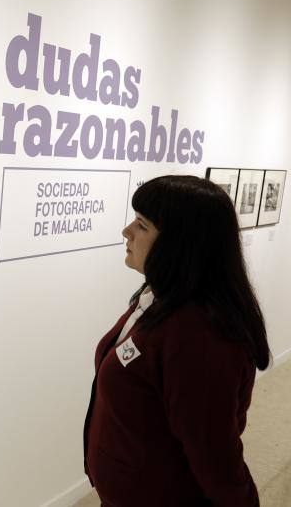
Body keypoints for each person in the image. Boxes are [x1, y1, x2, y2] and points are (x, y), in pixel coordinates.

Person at [83, 175, 270, 506]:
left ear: (179, 244)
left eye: (141, 225)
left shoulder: (199, 335)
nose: (127, 232)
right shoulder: (160, 298)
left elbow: (215, 453)